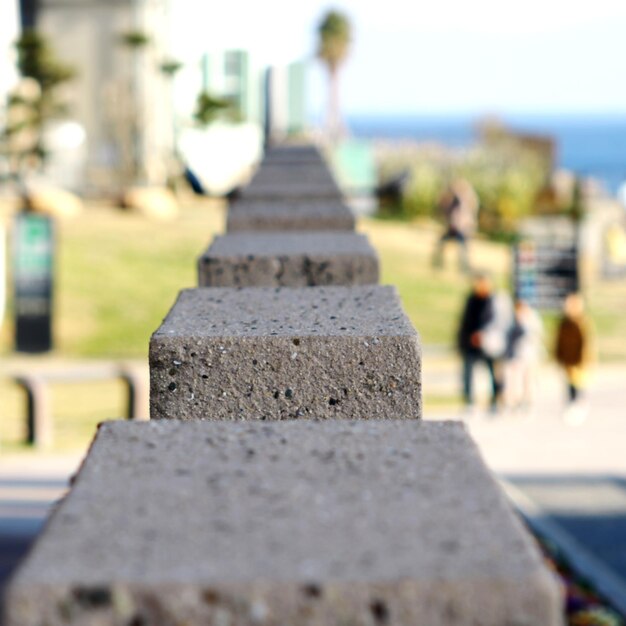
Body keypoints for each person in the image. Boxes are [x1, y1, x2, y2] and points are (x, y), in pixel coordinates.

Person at [457, 272, 499, 412]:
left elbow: (493, 320)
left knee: (492, 373)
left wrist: (482, 334)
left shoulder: (492, 300)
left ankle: (494, 401)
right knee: (468, 373)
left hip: (487, 343)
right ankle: (469, 401)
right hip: (470, 343)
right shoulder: (471, 300)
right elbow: (465, 322)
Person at [554, 292, 594, 424]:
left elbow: (587, 343)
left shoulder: (582, 322)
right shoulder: (563, 323)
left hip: (578, 360)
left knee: (578, 384)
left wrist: (584, 359)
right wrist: (558, 355)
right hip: (567, 358)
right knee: (569, 384)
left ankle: (579, 406)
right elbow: (558, 341)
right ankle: (571, 405)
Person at [504, 299, 544, 413]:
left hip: (529, 356)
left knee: (529, 381)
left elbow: (535, 337)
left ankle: (529, 402)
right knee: (515, 382)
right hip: (516, 356)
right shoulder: (512, 321)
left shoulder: (532, 320)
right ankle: (516, 402)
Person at [432, 178, 478, 272]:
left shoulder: (466, 200)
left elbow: (468, 209)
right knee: (441, 244)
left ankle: (464, 268)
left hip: (462, 230)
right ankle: (438, 265)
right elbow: (443, 209)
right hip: (452, 229)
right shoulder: (452, 202)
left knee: (463, 250)